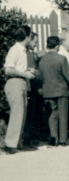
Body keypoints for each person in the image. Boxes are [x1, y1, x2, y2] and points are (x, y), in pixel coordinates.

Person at [39, 36, 69, 147]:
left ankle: (54, 138)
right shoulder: (61, 59)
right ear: (57, 46)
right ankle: (63, 140)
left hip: (48, 91)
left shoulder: (42, 59)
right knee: (63, 115)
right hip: (61, 91)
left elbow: (40, 77)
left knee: (52, 115)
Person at [3, 26, 35, 154]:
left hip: (21, 83)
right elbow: (8, 70)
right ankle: (10, 145)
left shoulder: (22, 51)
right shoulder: (15, 50)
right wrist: (25, 74)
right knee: (17, 113)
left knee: (22, 113)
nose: (31, 38)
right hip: (15, 83)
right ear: (26, 37)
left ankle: (17, 144)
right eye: (30, 36)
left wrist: (27, 71)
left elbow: (17, 69)